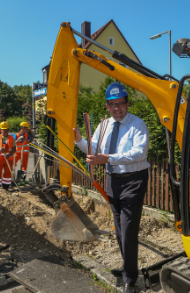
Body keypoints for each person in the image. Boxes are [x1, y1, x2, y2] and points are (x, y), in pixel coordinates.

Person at [73, 82, 149, 293]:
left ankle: (130, 279)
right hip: (113, 180)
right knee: (118, 228)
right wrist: (80, 140)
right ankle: (127, 266)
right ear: (107, 106)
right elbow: (94, 148)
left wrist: (108, 158)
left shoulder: (138, 125)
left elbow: (139, 153)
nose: (117, 109)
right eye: (113, 105)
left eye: (121, 104)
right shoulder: (104, 125)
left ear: (127, 104)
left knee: (128, 230)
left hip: (134, 180)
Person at [0, 121, 16, 190]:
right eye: (3, 129)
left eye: (6, 129)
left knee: (8, 174)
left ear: (8, 130)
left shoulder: (11, 138)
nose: (5, 131)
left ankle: (6, 188)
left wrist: (9, 154)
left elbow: (14, 149)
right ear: (0, 130)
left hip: (9, 159)